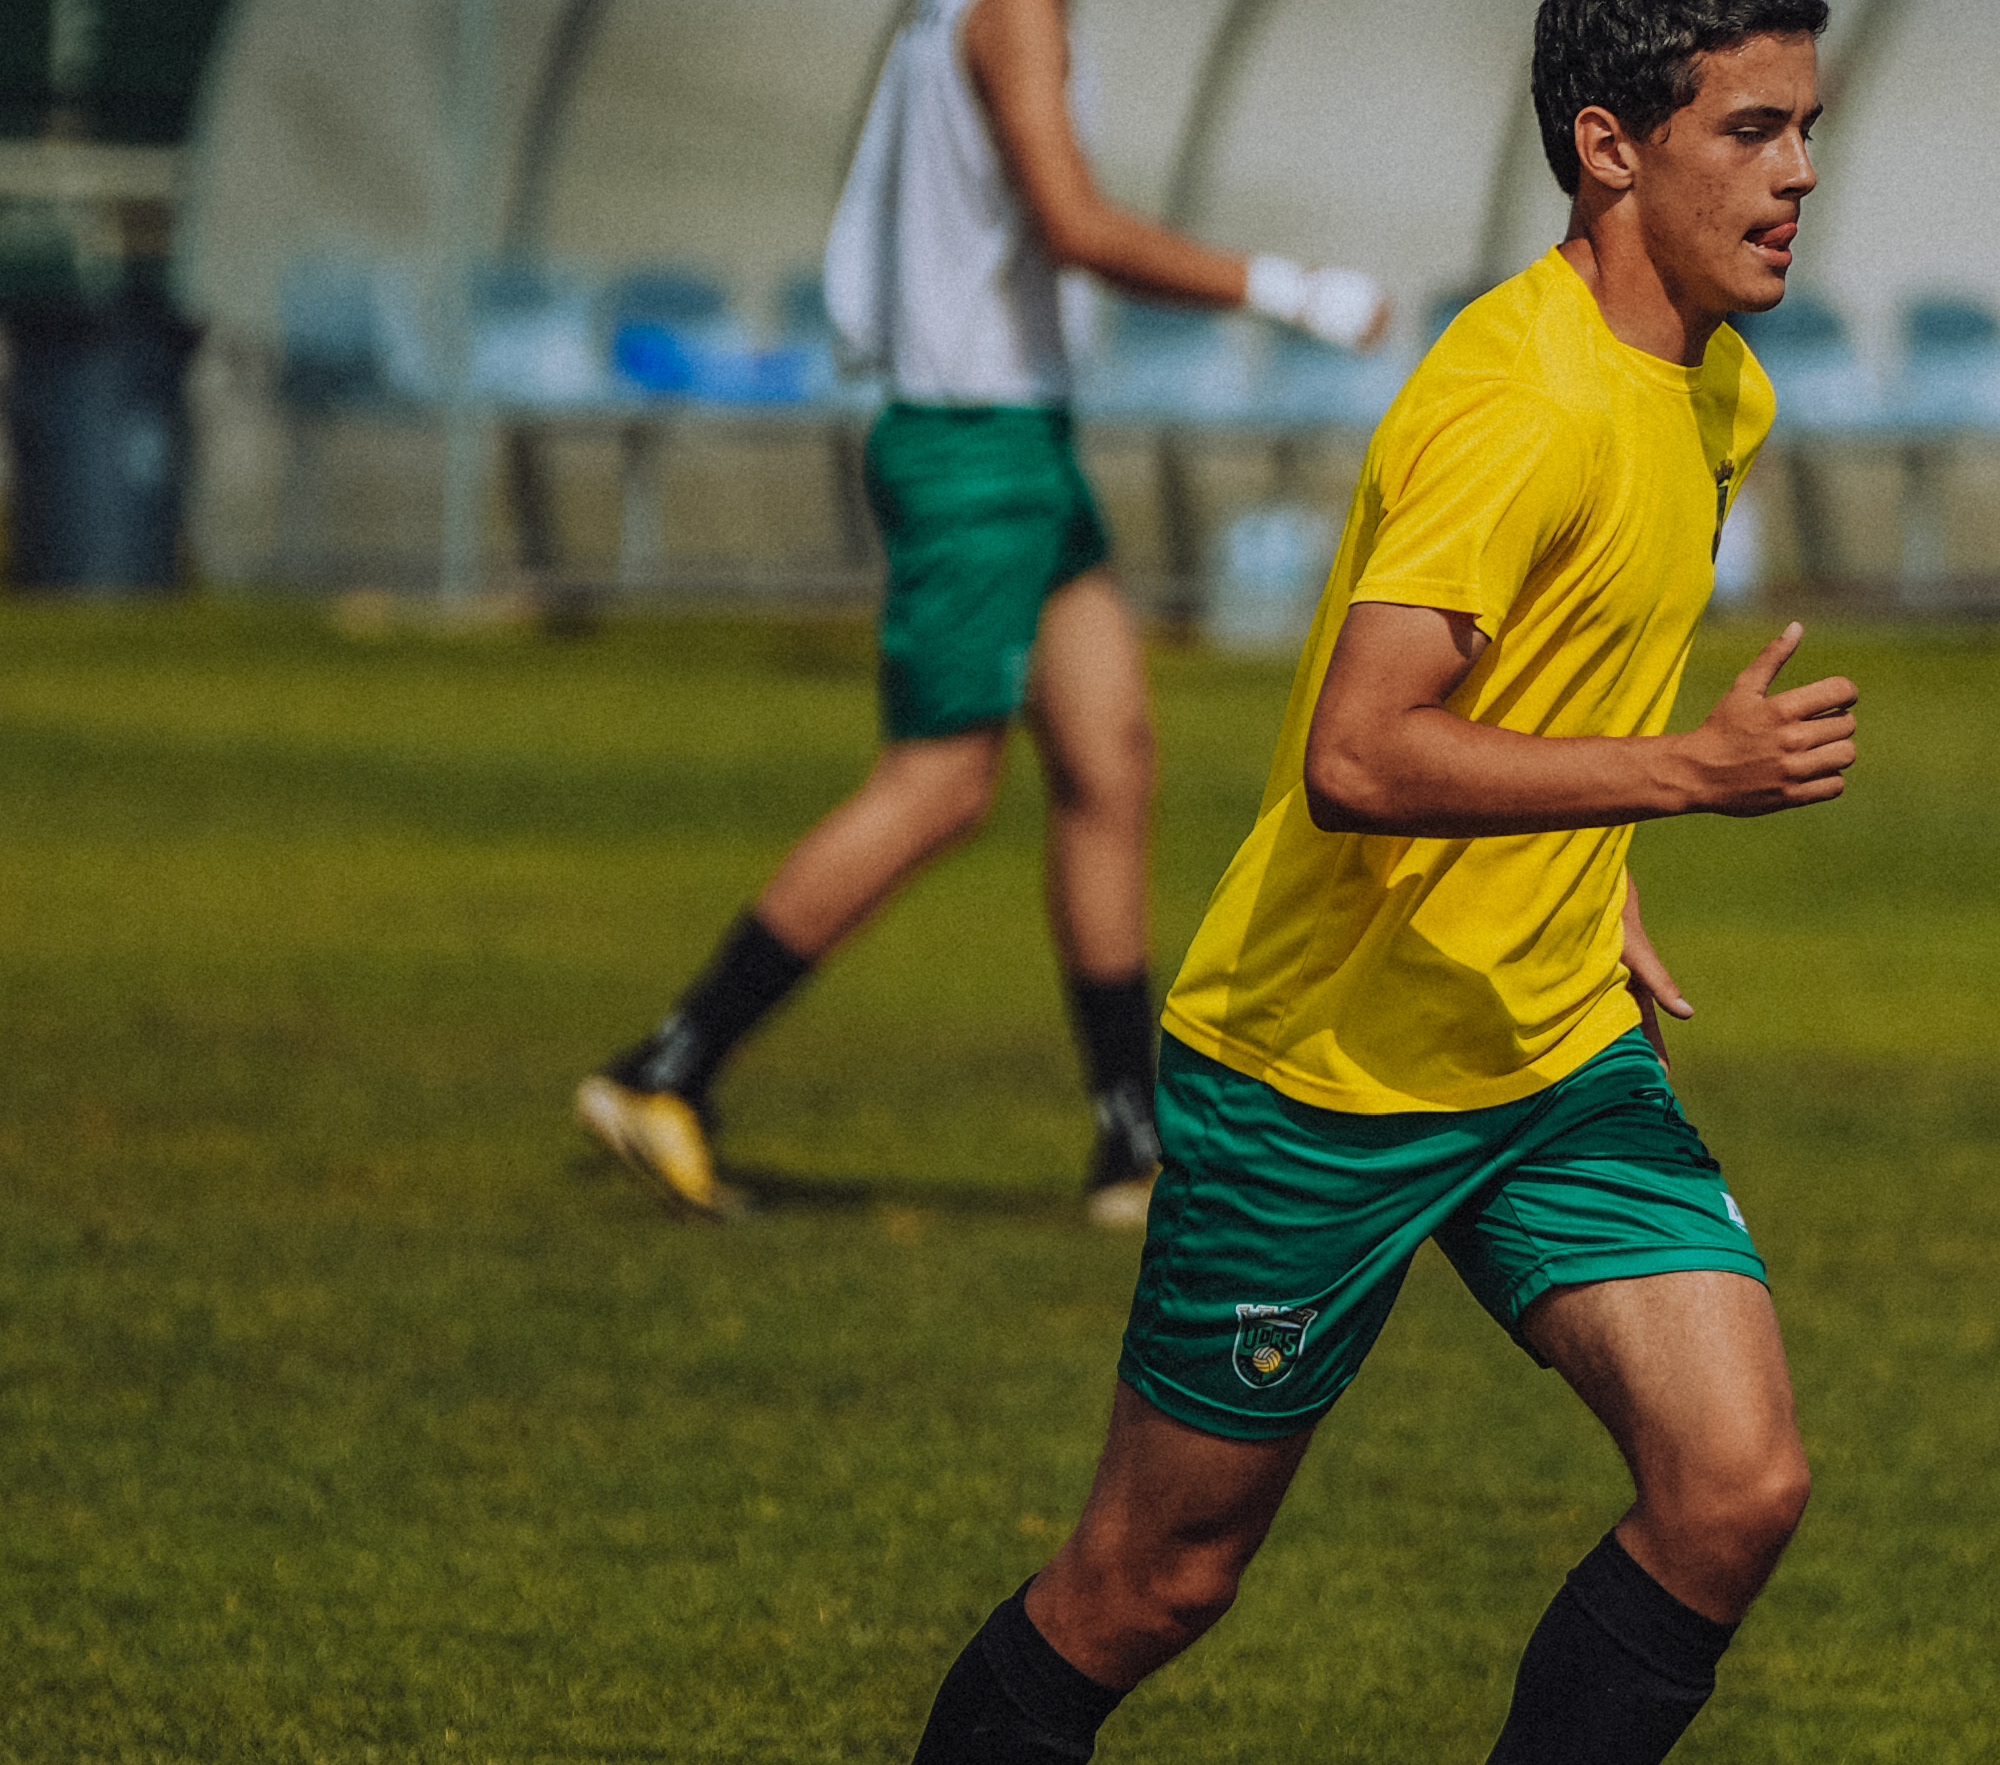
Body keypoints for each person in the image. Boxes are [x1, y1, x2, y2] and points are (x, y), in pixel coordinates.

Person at [898, 2, 1851, 1759]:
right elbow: (1357, 755)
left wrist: (1599, 872)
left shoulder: (1720, 388)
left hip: (1548, 1049)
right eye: (1751, 131)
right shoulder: (1515, 401)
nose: (1798, 173)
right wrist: (1683, 778)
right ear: (1607, 146)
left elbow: (1559, 679)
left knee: (1735, 1485)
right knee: (1151, 1584)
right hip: (1321, 1076)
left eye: (1806, 128)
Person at [573, 0, 1390, 1225]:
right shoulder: (1014, 11)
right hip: (974, 447)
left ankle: (1131, 1141)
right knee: (942, 783)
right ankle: (666, 1069)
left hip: (1020, 437)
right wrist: (1295, 292)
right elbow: (1075, 226)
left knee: (1111, 760)